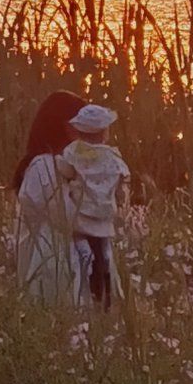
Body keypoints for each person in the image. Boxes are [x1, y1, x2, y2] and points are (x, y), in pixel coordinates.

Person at [10, 89, 86, 305]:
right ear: (64, 126)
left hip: (59, 272)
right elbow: (67, 218)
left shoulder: (56, 167)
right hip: (51, 272)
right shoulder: (44, 166)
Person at [57, 103, 131, 306]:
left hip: (81, 211)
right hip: (104, 212)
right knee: (104, 247)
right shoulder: (112, 156)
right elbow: (123, 178)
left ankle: (85, 259)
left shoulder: (74, 151)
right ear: (105, 132)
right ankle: (105, 277)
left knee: (80, 239)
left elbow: (65, 171)